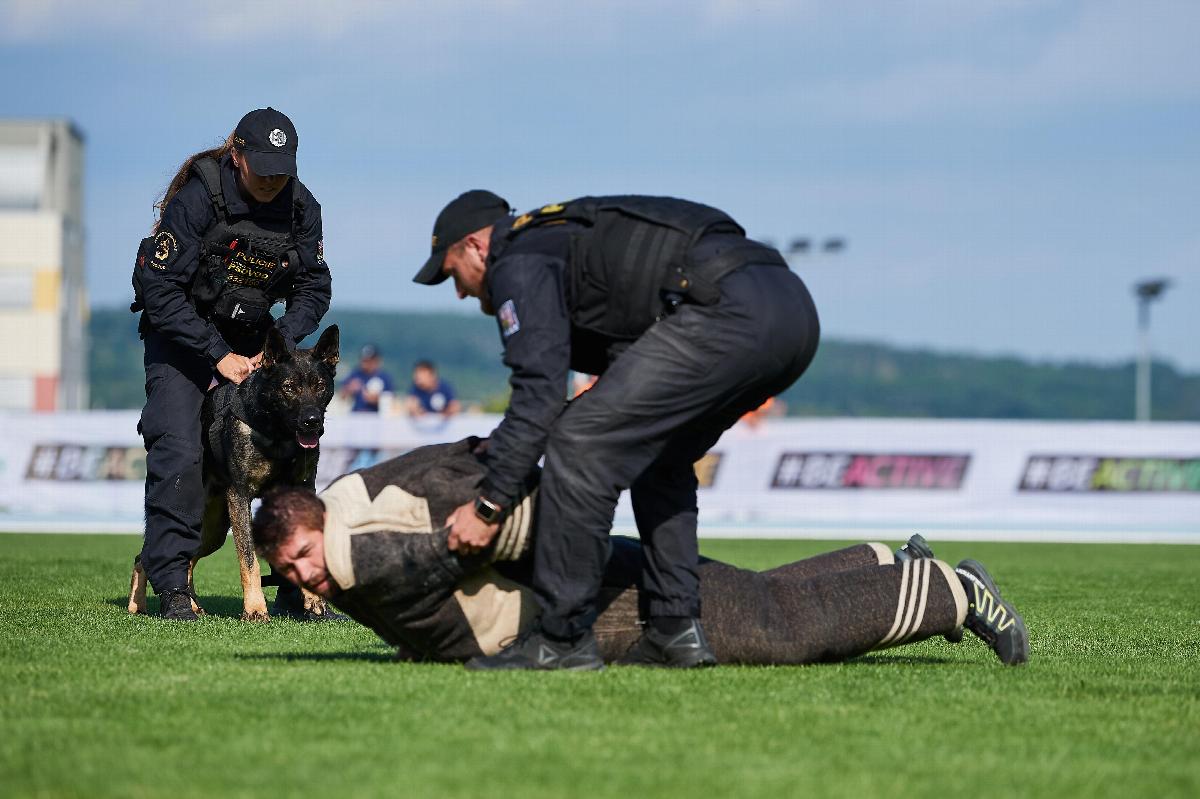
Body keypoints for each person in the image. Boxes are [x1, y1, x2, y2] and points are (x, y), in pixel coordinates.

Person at [411, 191, 821, 669]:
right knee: (659, 455)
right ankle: (674, 630)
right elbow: (614, 390)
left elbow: (539, 396)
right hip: (791, 314)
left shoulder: (518, 261)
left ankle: (561, 639)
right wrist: (514, 444)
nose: (459, 293)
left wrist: (488, 506)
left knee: (579, 446)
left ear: (477, 246)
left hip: (725, 309)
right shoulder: (566, 243)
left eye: (452, 273)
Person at [250, 439, 1031, 668]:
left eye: (305, 554)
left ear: (321, 520)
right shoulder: (354, 506)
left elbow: (487, 513)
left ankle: (951, 592)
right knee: (750, 592)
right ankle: (887, 561)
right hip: (579, 586)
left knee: (775, 628)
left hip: (587, 599)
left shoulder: (361, 537)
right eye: (289, 571)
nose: (307, 575)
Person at [130, 107, 332, 621]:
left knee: (294, 453)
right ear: (237, 154)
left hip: (255, 341)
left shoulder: (302, 207)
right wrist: (216, 354)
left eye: (280, 172)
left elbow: (313, 287)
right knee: (180, 448)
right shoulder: (197, 199)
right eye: (261, 169)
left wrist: (280, 342)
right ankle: (173, 586)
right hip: (183, 337)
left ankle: (297, 589)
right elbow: (160, 289)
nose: (271, 181)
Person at [340, 344, 395, 413]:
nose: (365, 364)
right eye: (363, 360)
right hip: (357, 413)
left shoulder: (385, 377)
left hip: (376, 415)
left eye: (369, 361)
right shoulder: (356, 374)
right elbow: (342, 396)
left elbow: (391, 401)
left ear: (376, 360)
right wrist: (349, 389)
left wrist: (376, 399)